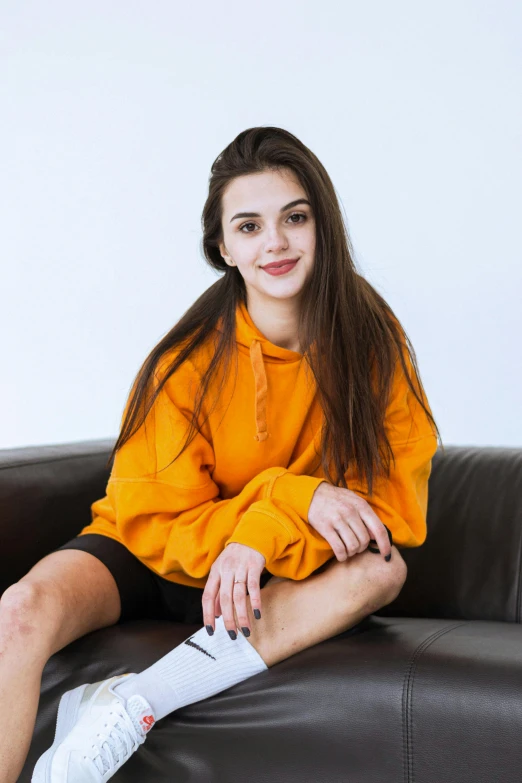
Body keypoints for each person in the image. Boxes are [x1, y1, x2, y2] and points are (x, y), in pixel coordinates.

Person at [1, 126, 441, 783]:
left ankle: (136, 701)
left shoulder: (374, 338)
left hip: (261, 571)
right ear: (223, 247)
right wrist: (290, 497)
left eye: (295, 217)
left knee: (381, 569)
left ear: (324, 223)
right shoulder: (185, 361)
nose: (276, 243)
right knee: (19, 610)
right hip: (155, 553)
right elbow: (152, 521)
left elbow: (391, 508)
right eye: (250, 225)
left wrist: (264, 532)